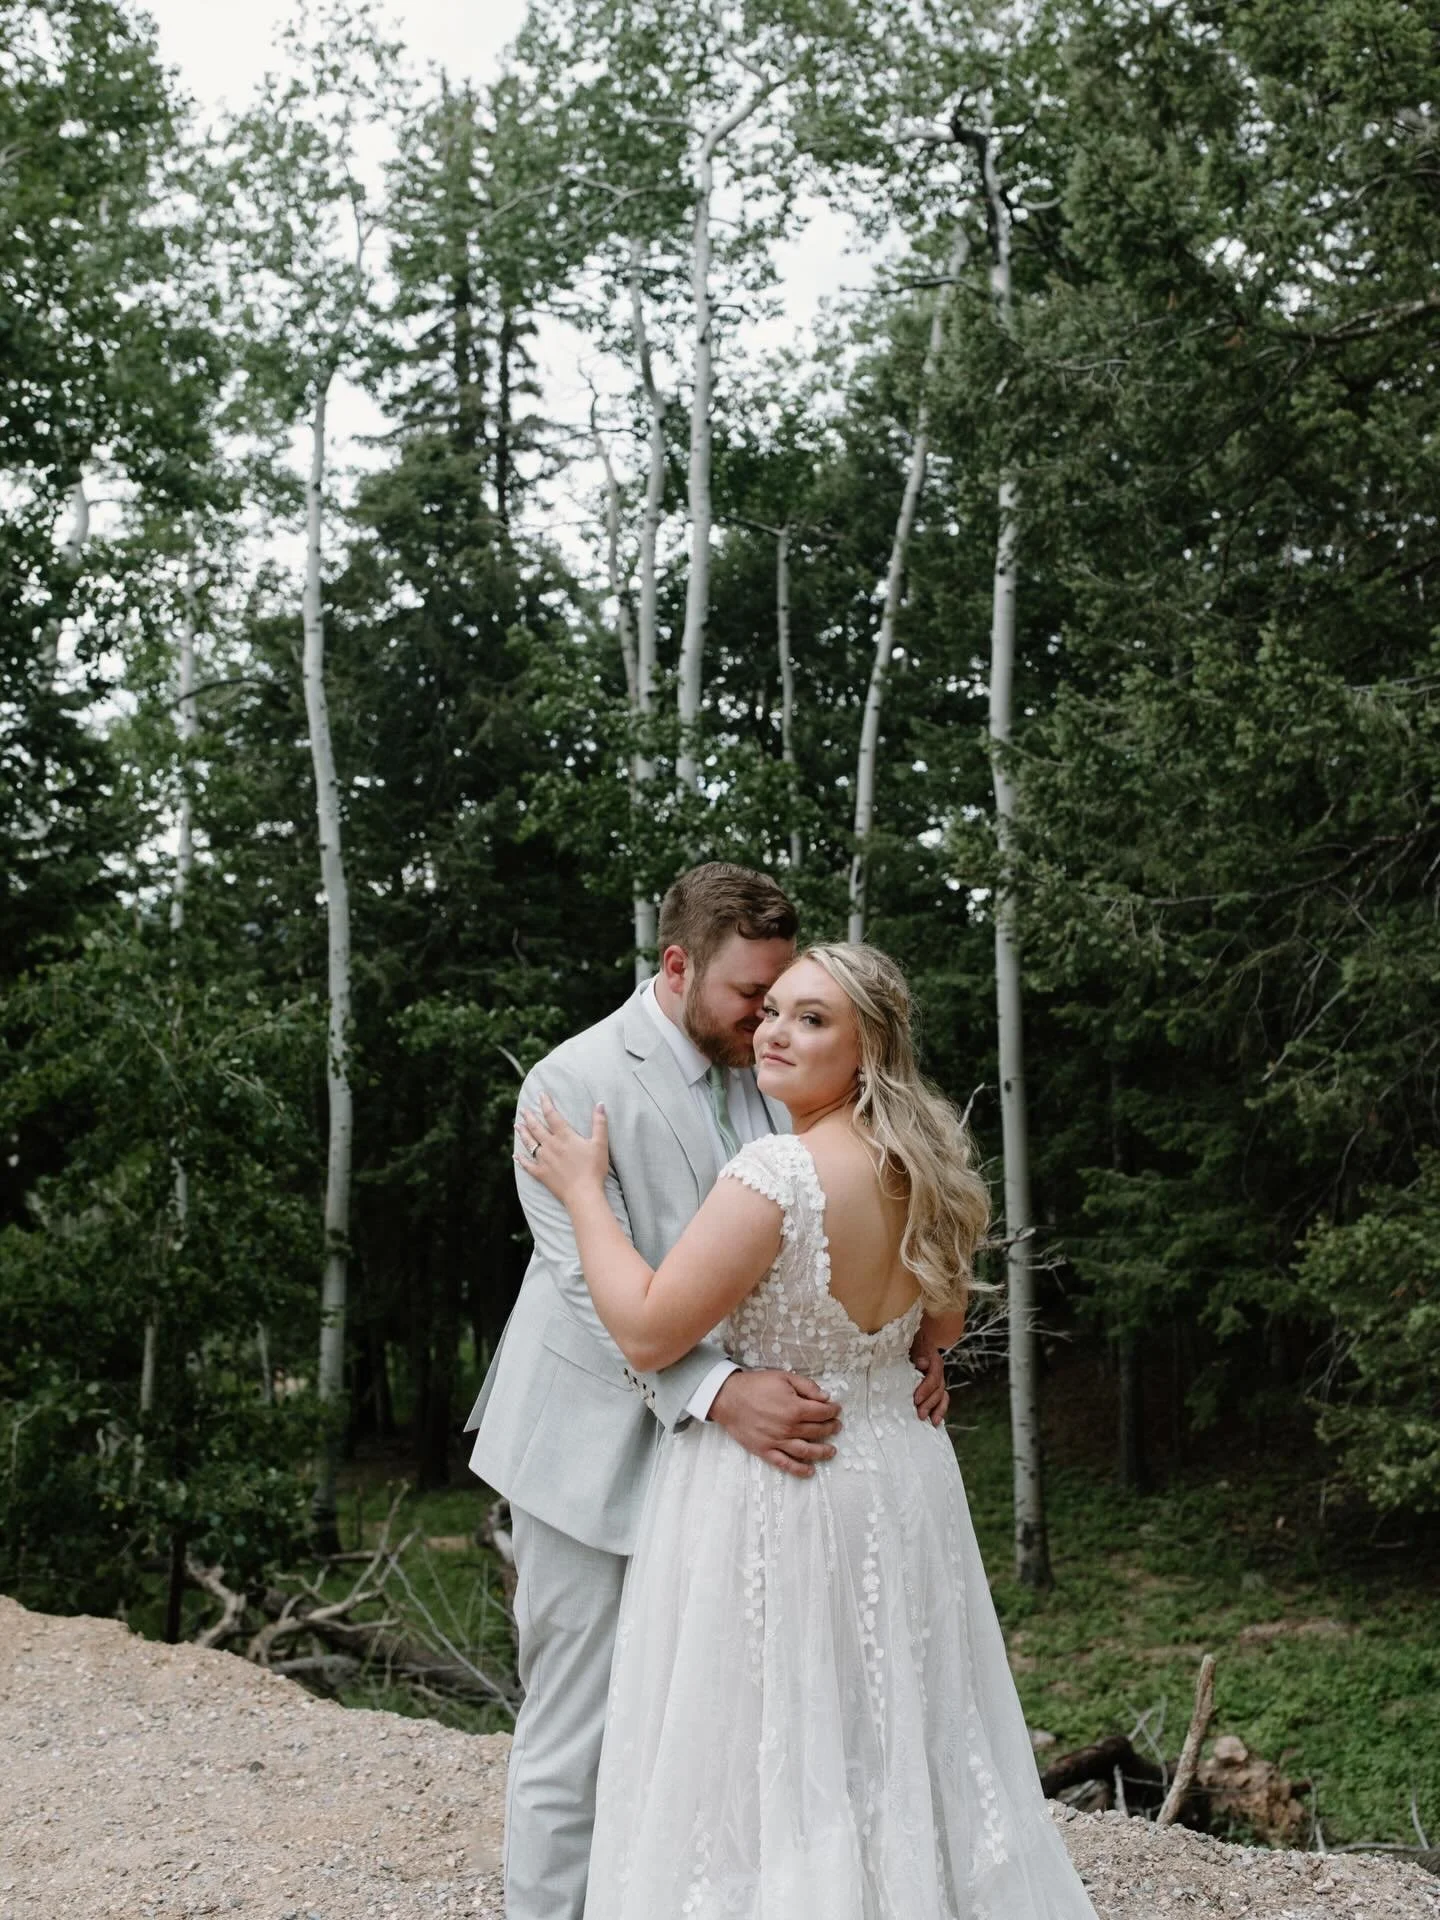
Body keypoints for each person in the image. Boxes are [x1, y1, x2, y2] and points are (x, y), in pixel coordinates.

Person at [517, 940, 1100, 1920]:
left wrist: (583, 1192)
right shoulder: (929, 1171)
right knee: (886, 1731)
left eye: (812, 1018)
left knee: (767, 1746)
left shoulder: (776, 1175)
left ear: (868, 1050)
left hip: (778, 1488)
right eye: (774, 1010)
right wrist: (895, 1357)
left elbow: (650, 1328)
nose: (776, 1032)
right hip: (897, 1476)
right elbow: (941, 1331)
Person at [465, 871, 950, 1920]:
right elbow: (590, 1289)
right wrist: (721, 1392)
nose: (768, 1018)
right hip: (595, 1449)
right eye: (752, 995)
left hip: (748, 1483)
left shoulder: (772, 1065)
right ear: (677, 967)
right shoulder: (568, 1083)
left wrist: (904, 1349)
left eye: (787, 997)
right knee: (578, 1726)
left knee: (719, 1733)